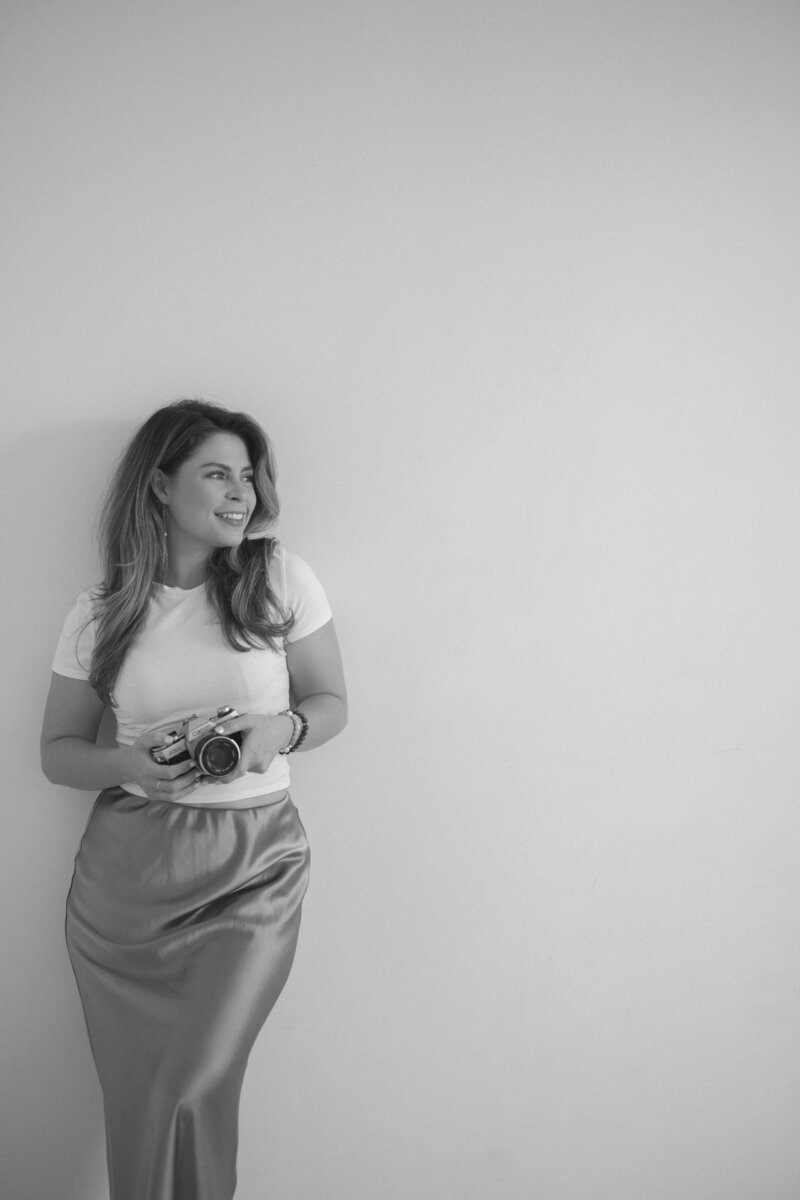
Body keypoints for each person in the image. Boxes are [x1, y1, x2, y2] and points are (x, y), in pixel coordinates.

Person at [40, 398, 347, 1200]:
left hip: (255, 869)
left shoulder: (279, 577)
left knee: (188, 1085)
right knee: (142, 1103)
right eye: (217, 474)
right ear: (159, 485)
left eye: (247, 476)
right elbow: (57, 753)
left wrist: (279, 730)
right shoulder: (101, 612)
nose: (241, 493)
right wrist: (130, 763)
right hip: (127, 881)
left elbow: (332, 703)